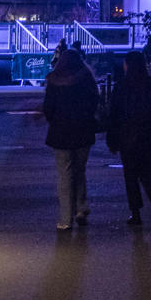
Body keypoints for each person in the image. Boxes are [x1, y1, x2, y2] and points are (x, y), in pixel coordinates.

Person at [42, 42, 99, 231]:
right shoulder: (86, 78)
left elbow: (48, 108)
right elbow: (94, 103)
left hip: (61, 132)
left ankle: (66, 219)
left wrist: (55, 120)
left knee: (64, 175)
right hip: (83, 130)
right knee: (79, 170)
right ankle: (81, 208)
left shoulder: (54, 80)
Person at [106, 52, 151, 226]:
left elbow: (114, 115)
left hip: (127, 136)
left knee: (130, 175)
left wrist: (112, 139)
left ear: (127, 66)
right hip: (147, 135)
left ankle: (136, 213)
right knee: (145, 170)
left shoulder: (121, 87)